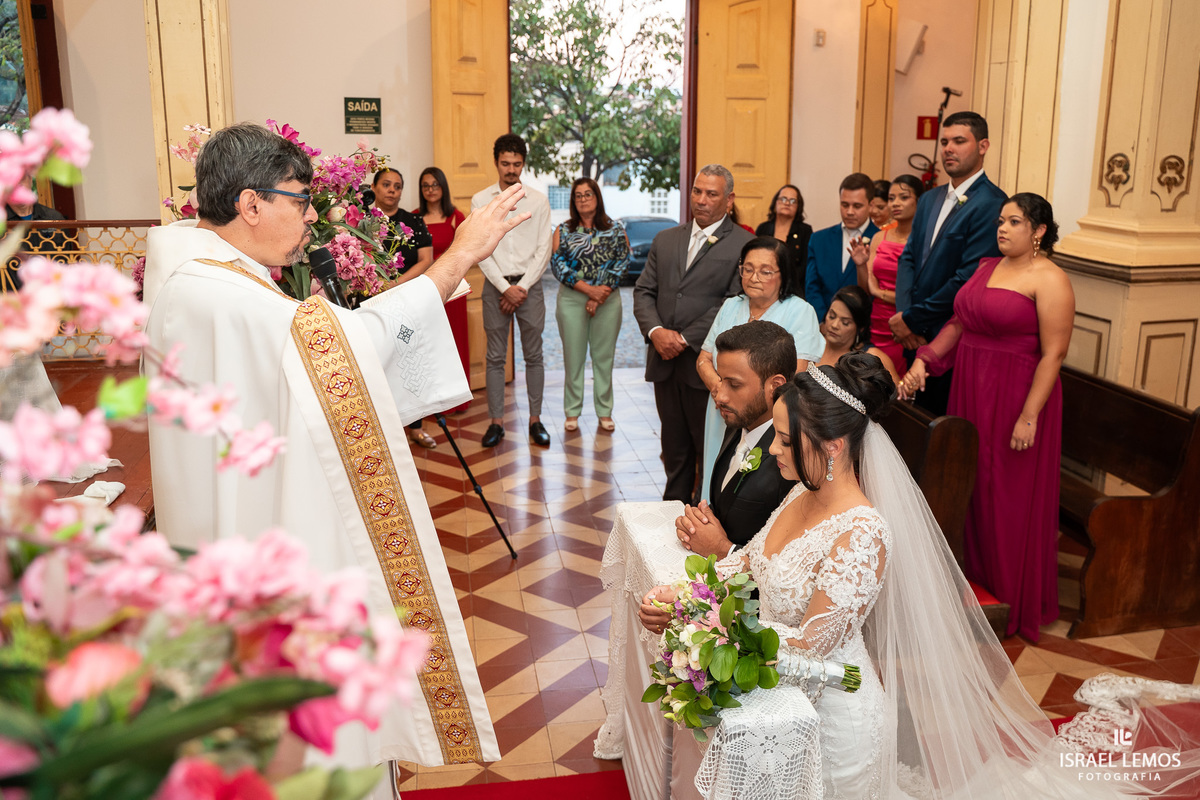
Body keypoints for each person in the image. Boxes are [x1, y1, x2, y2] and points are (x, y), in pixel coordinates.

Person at [142, 122, 527, 775]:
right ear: (250, 204)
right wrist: (458, 257)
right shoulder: (216, 292)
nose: (310, 216)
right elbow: (352, 348)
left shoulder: (191, 268)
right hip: (260, 551)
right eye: (300, 199)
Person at [638, 354, 1199, 799]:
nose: (775, 451)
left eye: (786, 440)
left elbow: (811, 645)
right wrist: (686, 599)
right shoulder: (799, 493)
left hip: (835, 720)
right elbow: (747, 564)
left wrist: (708, 628)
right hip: (785, 701)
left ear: (833, 445)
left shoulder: (862, 532)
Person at [903, 193, 1073, 642]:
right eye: (1001, 220)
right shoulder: (986, 267)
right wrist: (924, 360)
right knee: (973, 486)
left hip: (1017, 396)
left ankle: (1010, 595)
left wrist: (1029, 415)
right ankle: (974, 586)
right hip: (972, 389)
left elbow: (1054, 354)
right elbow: (959, 325)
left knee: (1008, 495)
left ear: (1038, 231)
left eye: (1014, 222)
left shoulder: (1050, 278)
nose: (1002, 228)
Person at [633, 164, 754, 503]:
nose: (701, 200)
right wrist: (657, 332)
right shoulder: (666, 239)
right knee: (673, 448)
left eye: (711, 194)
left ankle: (703, 512)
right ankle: (671, 508)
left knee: (708, 450)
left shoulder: (744, 244)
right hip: (664, 362)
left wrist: (684, 338)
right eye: (697, 191)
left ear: (729, 199)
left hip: (709, 366)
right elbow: (644, 291)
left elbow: (735, 301)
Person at [892, 111, 1006, 416]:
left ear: (983, 146)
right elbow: (909, 257)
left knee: (942, 422)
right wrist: (903, 314)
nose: (948, 149)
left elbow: (967, 277)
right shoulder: (930, 199)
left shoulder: (992, 203)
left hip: (951, 336)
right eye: (944, 142)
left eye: (959, 141)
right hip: (911, 332)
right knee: (912, 418)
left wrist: (912, 318)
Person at [696, 237, 823, 498]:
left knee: (752, 486)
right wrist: (722, 389)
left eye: (765, 271)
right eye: (748, 269)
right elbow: (704, 359)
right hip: (720, 407)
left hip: (766, 416)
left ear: (783, 274)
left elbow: (796, 373)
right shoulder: (731, 305)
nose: (754, 277)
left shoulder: (800, 311)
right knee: (717, 469)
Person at [675, 321, 797, 558]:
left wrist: (722, 549)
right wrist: (698, 525)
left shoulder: (792, 457)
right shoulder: (739, 421)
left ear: (775, 386)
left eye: (734, 384)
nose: (720, 396)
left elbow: (787, 563)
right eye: (721, 379)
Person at [472, 134, 553, 448]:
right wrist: (506, 289)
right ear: (496, 163)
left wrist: (521, 288)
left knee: (534, 356)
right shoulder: (481, 200)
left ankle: (535, 420)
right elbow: (480, 248)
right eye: (505, 163)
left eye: (516, 164)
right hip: (496, 286)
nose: (511, 169)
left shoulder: (539, 201)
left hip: (529, 287)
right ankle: (496, 423)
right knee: (495, 358)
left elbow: (544, 249)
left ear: (523, 164)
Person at [549, 177, 630, 432]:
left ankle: (605, 411)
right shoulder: (563, 230)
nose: (583, 199)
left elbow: (623, 261)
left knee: (603, 357)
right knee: (573, 357)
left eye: (588, 194)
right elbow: (558, 265)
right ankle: (572, 411)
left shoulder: (615, 228)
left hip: (608, 299)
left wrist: (600, 295)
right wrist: (589, 291)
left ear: (597, 197)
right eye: (578, 195)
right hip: (572, 299)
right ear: (573, 201)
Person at [371, 167, 438, 448]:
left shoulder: (413, 221)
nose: (392, 190)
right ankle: (383, 429)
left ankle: (416, 428)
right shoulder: (361, 220)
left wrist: (394, 283)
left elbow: (426, 260)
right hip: (370, 303)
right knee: (377, 364)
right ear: (374, 187)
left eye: (397, 186)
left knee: (410, 362)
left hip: (405, 303)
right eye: (386, 184)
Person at [848, 175, 924, 376]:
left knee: (899, 383)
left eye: (904, 197)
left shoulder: (923, 241)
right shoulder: (879, 236)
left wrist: (880, 293)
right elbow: (867, 289)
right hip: (876, 324)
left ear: (919, 201)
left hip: (905, 325)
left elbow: (919, 295)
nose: (895, 203)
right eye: (891, 198)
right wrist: (860, 265)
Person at [416, 166, 470, 409]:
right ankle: (433, 404)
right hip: (424, 290)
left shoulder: (456, 216)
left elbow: (466, 252)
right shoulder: (414, 217)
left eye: (435, 185)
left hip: (452, 290)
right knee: (429, 345)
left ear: (443, 187)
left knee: (454, 343)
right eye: (425, 186)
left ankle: (457, 401)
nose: (430, 190)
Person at [805, 172, 880, 322]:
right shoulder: (819, 239)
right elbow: (812, 287)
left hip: (862, 324)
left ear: (871, 205)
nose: (849, 212)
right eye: (845, 205)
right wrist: (824, 321)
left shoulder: (880, 240)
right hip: (822, 323)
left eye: (857, 206)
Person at [817, 286, 900, 385]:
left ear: (860, 328)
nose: (834, 325)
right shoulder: (812, 342)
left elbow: (896, 392)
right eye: (832, 316)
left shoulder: (873, 357)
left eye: (845, 323)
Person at [3, 175, 70, 291]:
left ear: (30, 180)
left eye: (21, 179)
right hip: (12, 296)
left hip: (50, 292)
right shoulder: (1, 222)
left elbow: (66, 258)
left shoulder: (53, 217)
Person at [754, 184, 812, 290]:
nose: (787, 203)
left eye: (793, 201)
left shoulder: (805, 231)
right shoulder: (763, 228)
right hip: (762, 284)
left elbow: (805, 265)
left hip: (793, 287)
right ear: (775, 202)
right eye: (783, 199)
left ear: (798, 206)